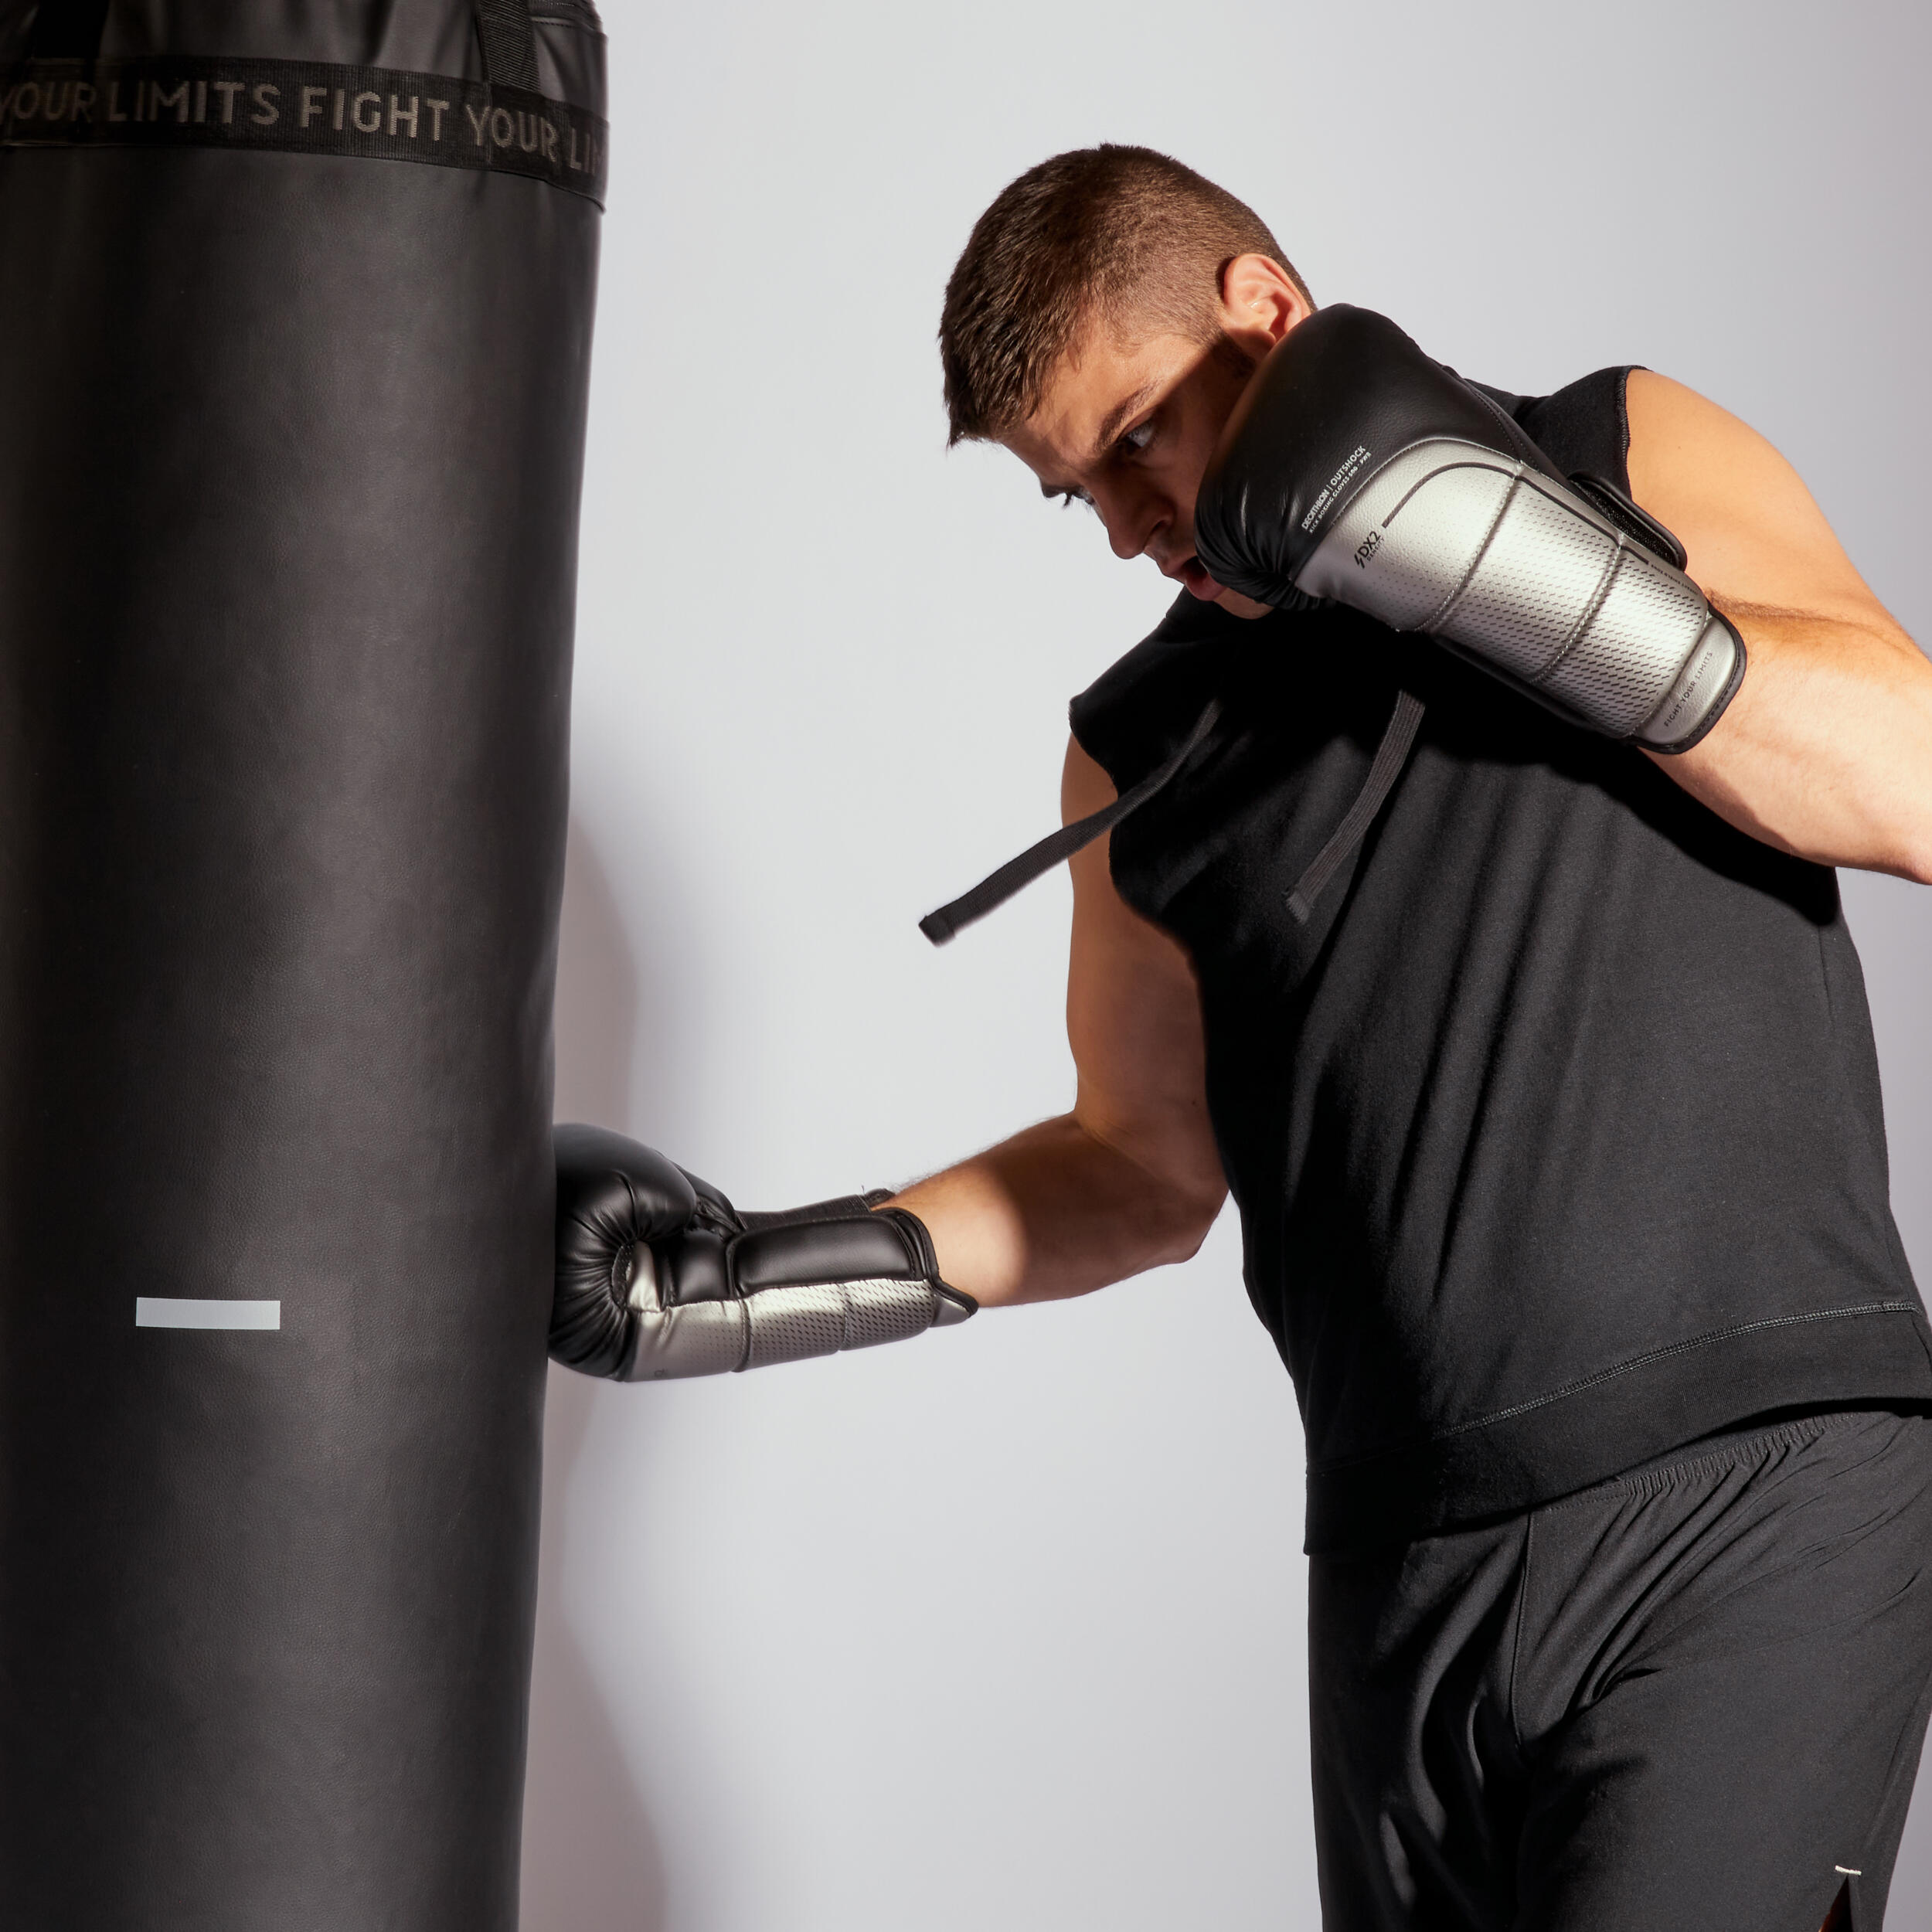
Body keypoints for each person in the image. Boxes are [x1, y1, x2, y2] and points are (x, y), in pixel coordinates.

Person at [551, 145, 1932, 1930]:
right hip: (1395, 1566)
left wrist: (1495, 557)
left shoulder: (1609, 448)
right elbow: (1135, 1165)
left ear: (1265, 314)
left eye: (1135, 439)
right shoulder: (1140, 750)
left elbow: (1905, 777)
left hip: (1742, 1497)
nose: (1131, 526)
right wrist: (749, 1275)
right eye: (1077, 497)